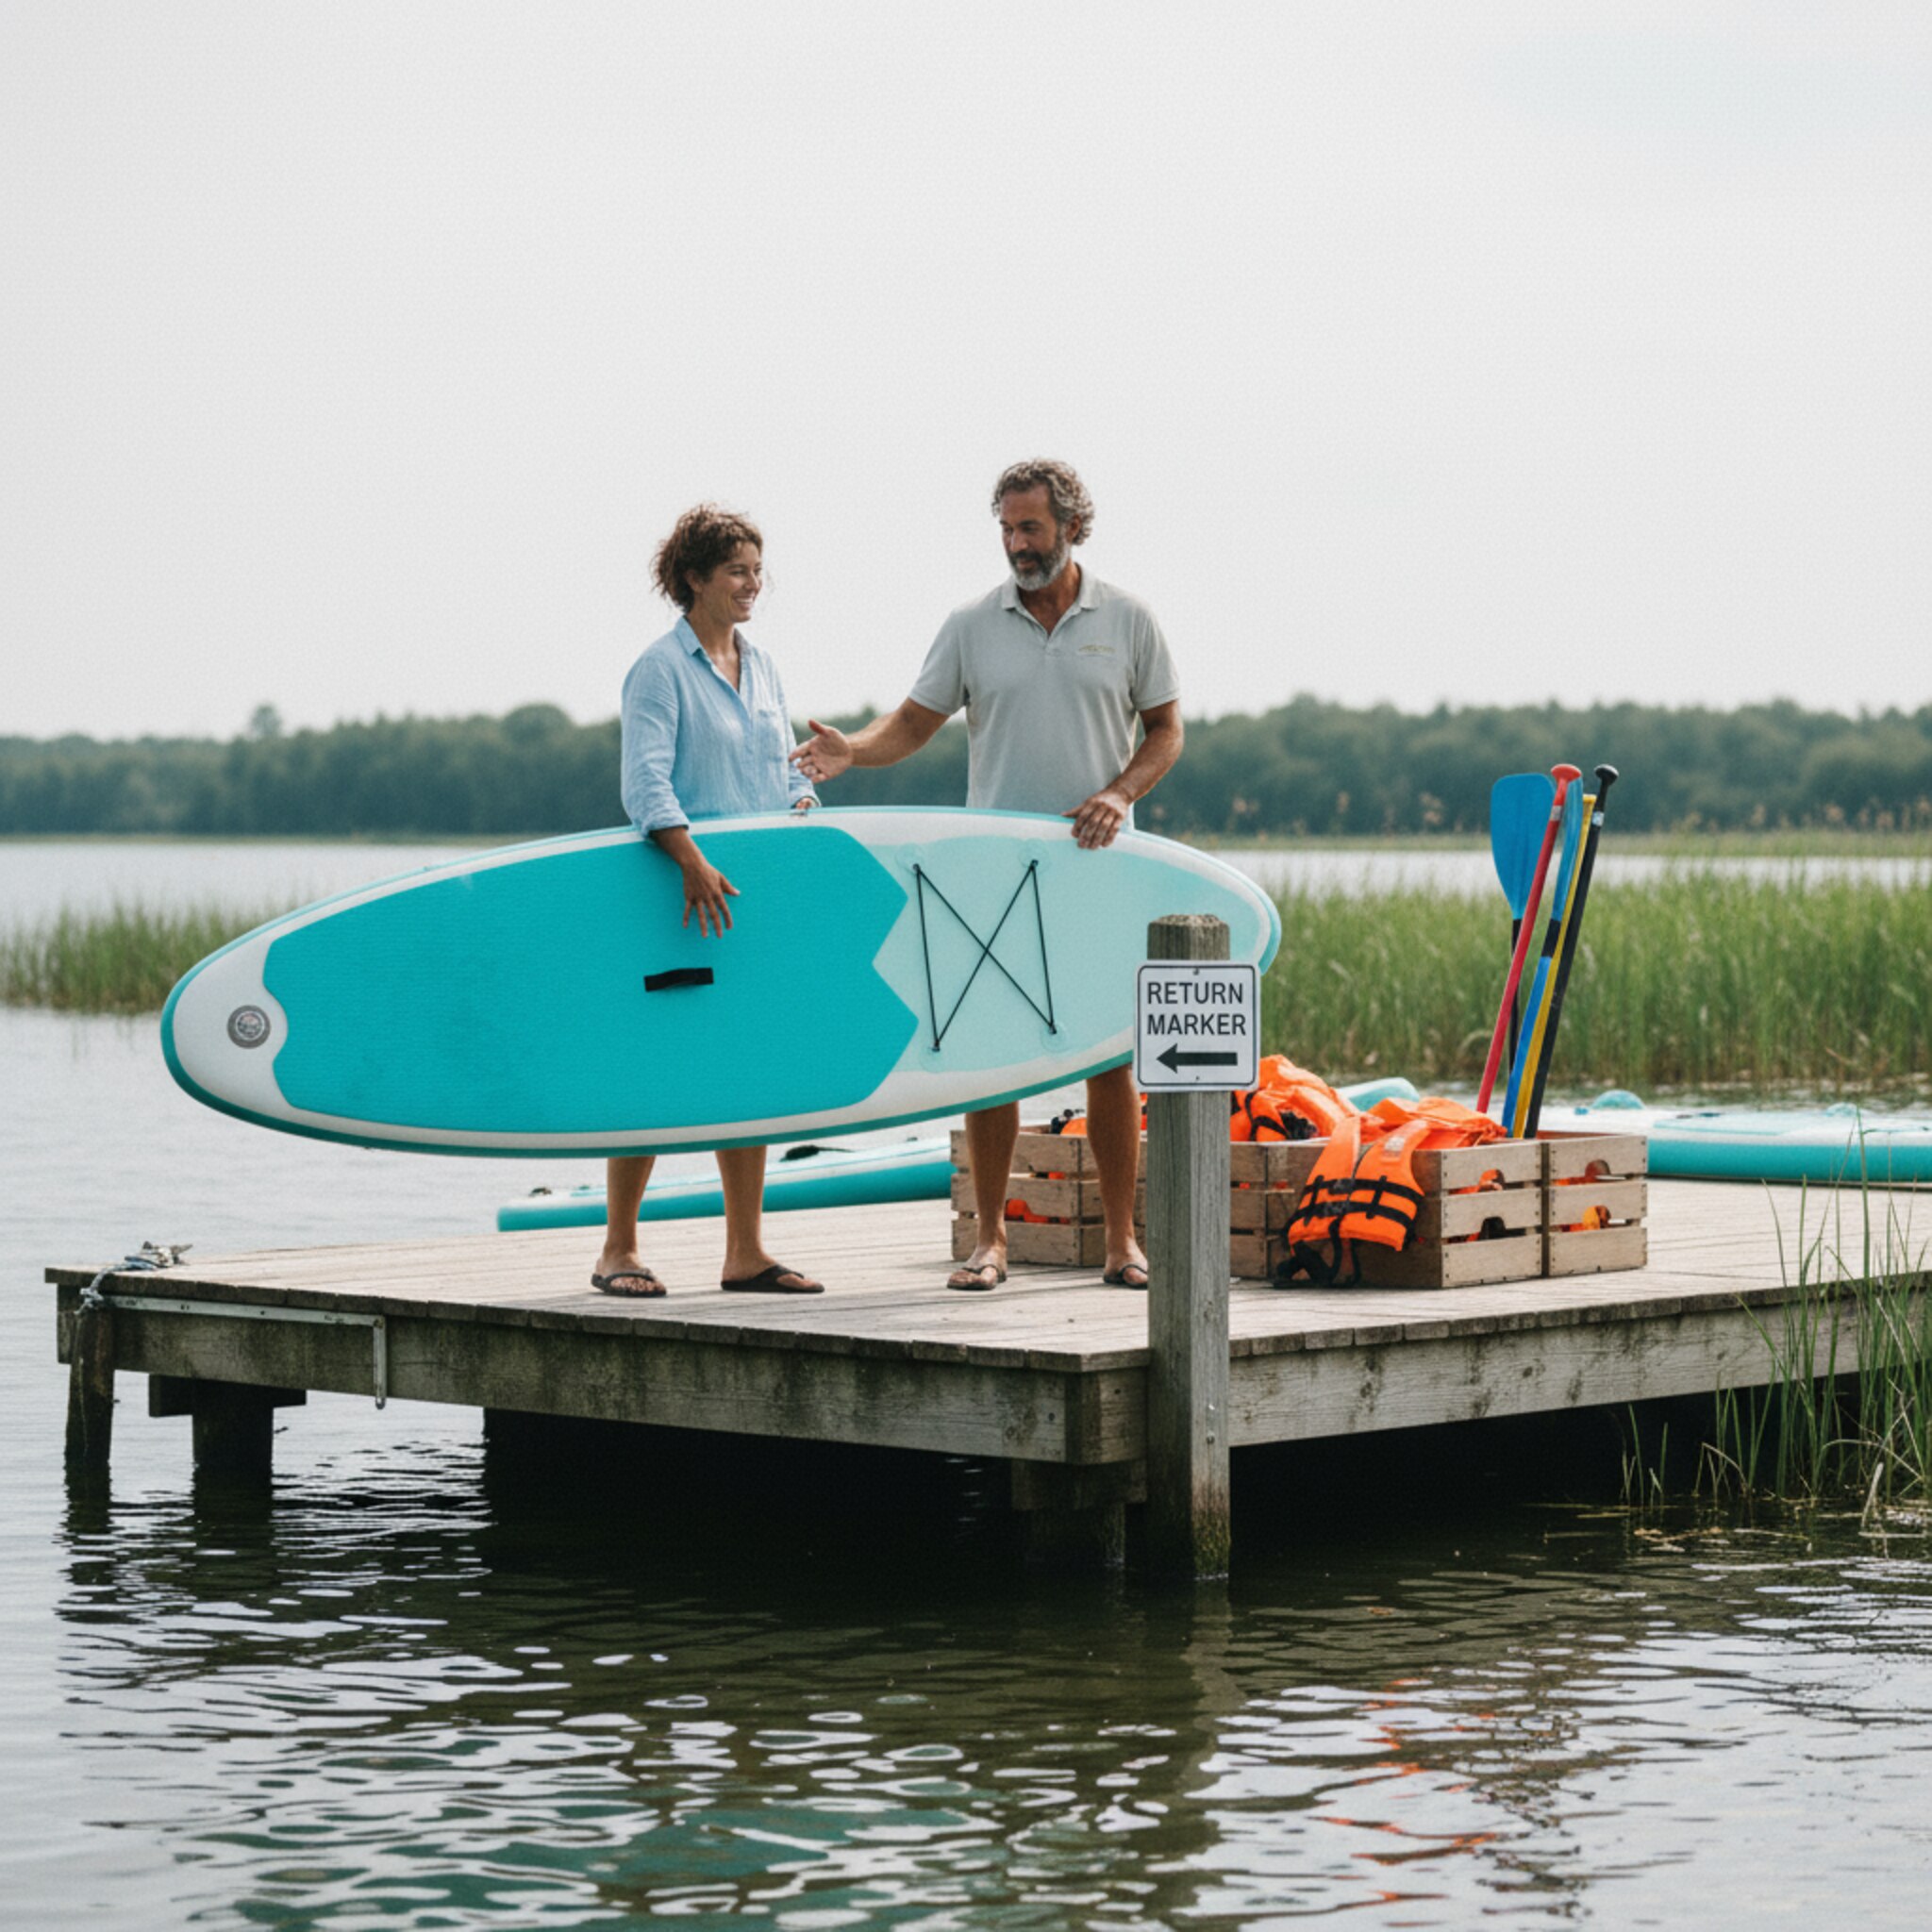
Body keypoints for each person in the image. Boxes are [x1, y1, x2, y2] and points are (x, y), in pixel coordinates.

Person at [791, 458, 1182, 1291]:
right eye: (1006, 529)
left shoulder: (1130, 617)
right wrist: (853, 751)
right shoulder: (971, 623)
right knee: (993, 1052)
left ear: (1071, 526)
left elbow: (1166, 730)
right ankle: (991, 1241)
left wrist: (1120, 793)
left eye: (1030, 527)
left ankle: (1122, 1243)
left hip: (1098, 869)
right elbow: (913, 722)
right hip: (993, 875)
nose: (1016, 544)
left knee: (1110, 1055)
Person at [592, 504, 825, 1299]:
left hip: (750, 901)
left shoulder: (764, 667)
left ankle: (745, 1253)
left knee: (748, 1065)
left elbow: (786, 768)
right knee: (657, 1067)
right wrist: (690, 860)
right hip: (675, 896)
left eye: (758, 571)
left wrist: (803, 801)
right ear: (694, 578)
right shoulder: (659, 669)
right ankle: (618, 1249)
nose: (753, 584)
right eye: (736, 571)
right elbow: (644, 783)